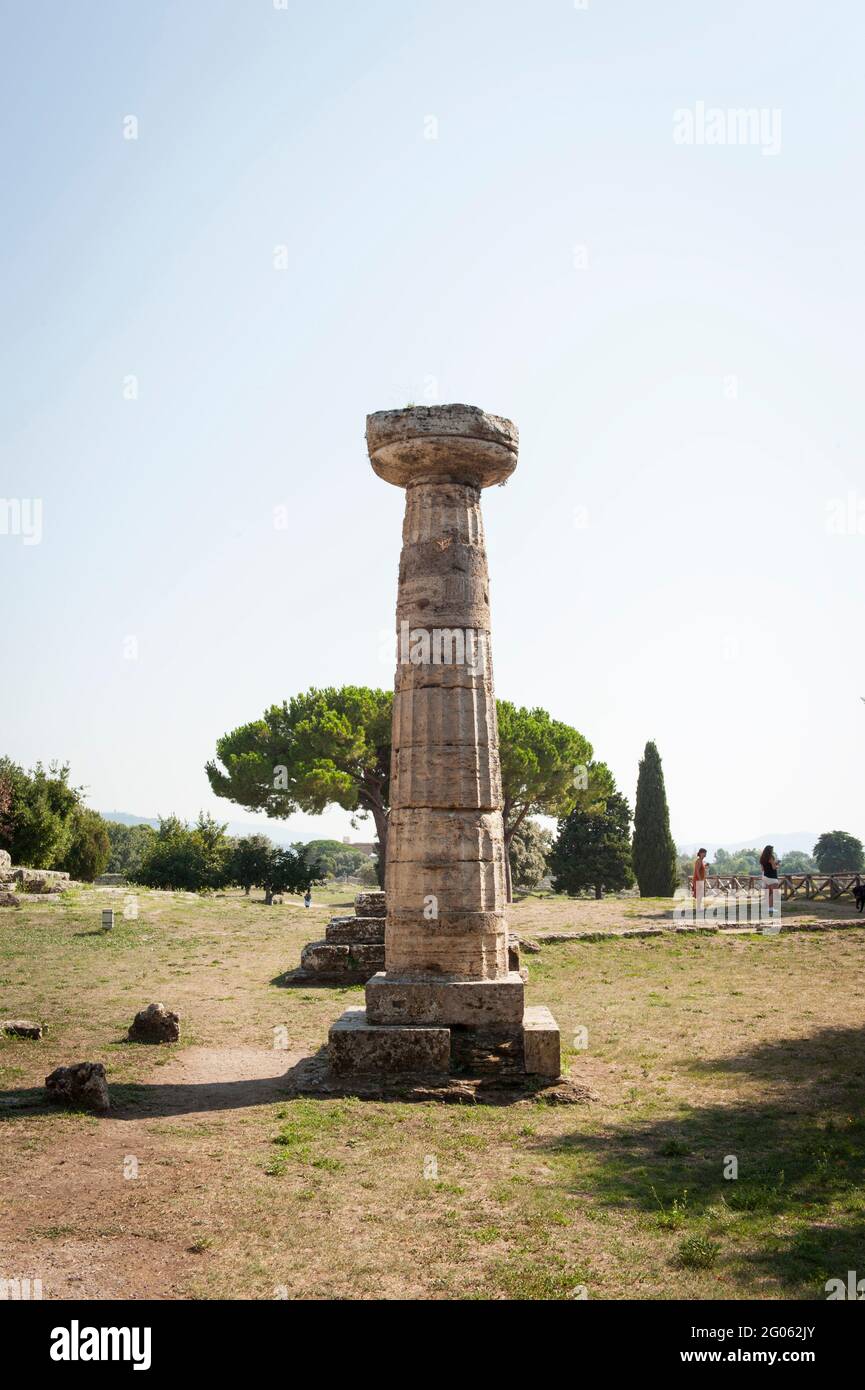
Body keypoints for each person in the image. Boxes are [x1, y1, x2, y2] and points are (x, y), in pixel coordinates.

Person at [760, 845, 782, 916]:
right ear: (770, 850)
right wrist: (778, 865)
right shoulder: (771, 857)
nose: (773, 851)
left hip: (765, 877)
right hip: (772, 877)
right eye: (772, 850)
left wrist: (774, 864)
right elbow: (774, 867)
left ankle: (769, 908)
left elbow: (763, 869)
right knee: (774, 893)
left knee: (769, 893)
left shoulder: (762, 858)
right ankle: (771, 908)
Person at [691, 848, 708, 914]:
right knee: (699, 894)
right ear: (701, 853)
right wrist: (700, 879)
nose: (705, 854)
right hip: (698, 879)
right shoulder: (698, 861)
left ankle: (699, 907)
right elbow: (697, 871)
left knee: (700, 894)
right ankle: (698, 908)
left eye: (705, 853)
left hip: (700, 879)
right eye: (704, 853)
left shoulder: (701, 861)